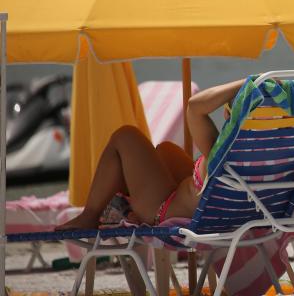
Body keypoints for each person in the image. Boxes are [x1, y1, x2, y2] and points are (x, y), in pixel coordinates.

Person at [56, 78, 247, 230]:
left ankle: (91, 215)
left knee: (125, 136)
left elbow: (195, 106)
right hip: (224, 209)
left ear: (228, 114)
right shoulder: (270, 155)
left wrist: (248, 82)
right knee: (165, 150)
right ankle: (125, 198)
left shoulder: (220, 150)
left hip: (167, 211)